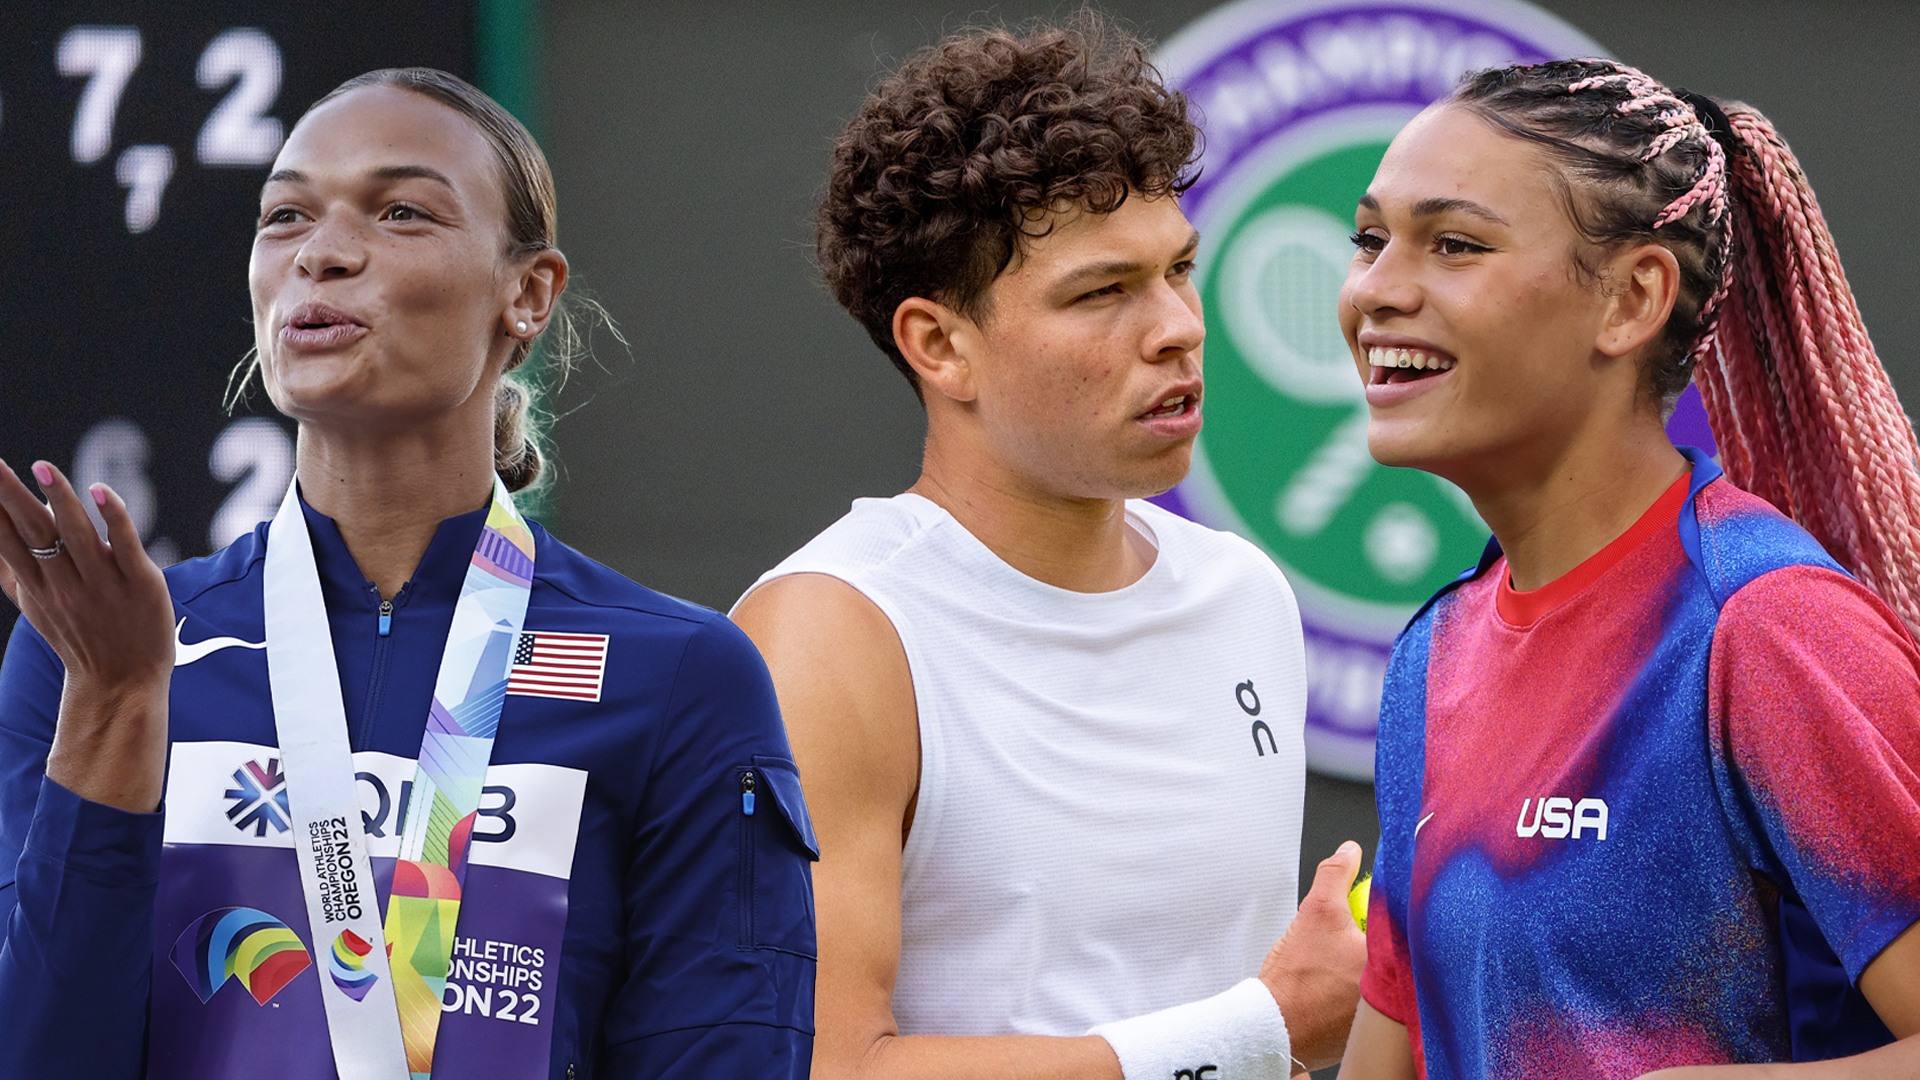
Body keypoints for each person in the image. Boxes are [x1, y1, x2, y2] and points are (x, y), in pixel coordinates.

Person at [0, 68, 816, 1079]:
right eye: (285, 215)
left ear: (529, 294)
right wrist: (117, 705)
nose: (323, 254)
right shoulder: (102, 652)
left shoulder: (682, 675)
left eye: (399, 211)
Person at [730, 17, 1364, 1080]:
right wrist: (1263, 1031)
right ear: (940, 345)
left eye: (1179, 270)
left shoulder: (1245, 594)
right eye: (1103, 292)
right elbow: (818, 1067)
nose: (1177, 326)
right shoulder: (828, 637)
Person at [1334, 58, 1920, 1079]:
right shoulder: (1430, 659)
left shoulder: (1767, 627)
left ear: (1632, 297)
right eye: (1371, 241)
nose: (1377, 290)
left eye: (1455, 244)